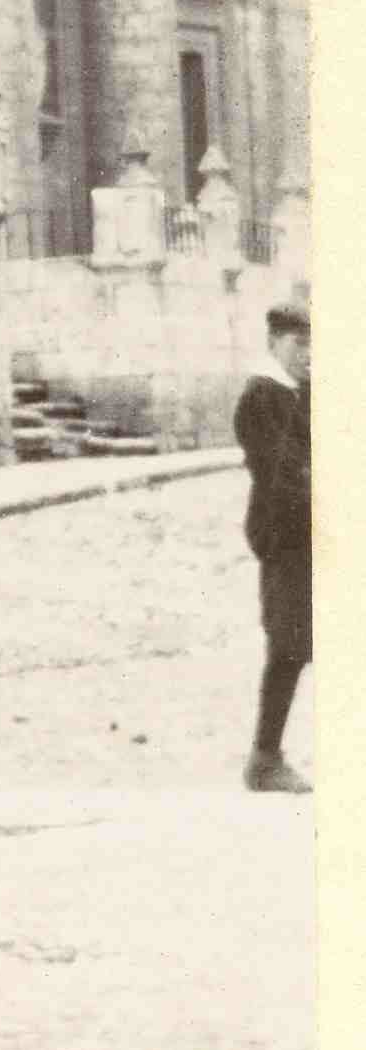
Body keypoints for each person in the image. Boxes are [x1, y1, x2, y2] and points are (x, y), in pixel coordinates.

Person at [236, 298, 312, 794]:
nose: (308, 354)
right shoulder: (261, 397)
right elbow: (279, 474)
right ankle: (264, 760)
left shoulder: (304, 392)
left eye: (313, 346)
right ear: (273, 343)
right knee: (287, 645)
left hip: (314, 534)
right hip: (286, 537)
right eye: (299, 344)